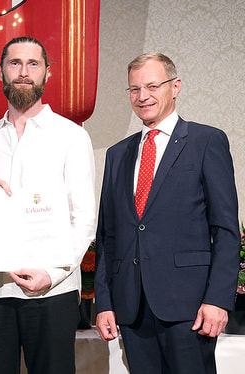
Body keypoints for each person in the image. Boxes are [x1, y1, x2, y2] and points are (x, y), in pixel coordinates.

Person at [95, 52, 240, 374]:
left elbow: (226, 230)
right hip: (131, 308)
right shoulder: (118, 154)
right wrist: (104, 304)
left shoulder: (206, 141)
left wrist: (218, 300)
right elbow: (108, 236)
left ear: (175, 87)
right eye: (134, 89)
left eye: (152, 86)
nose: (142, 96)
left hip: (191, 308)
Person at [0, 36, 96, 373]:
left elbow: (84, 218)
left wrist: (51, 275)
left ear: (47, 73)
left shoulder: (71, 136)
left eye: (33, 64)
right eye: (15, 63)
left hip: (53, 292)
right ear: (2, 72)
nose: (24, 72)